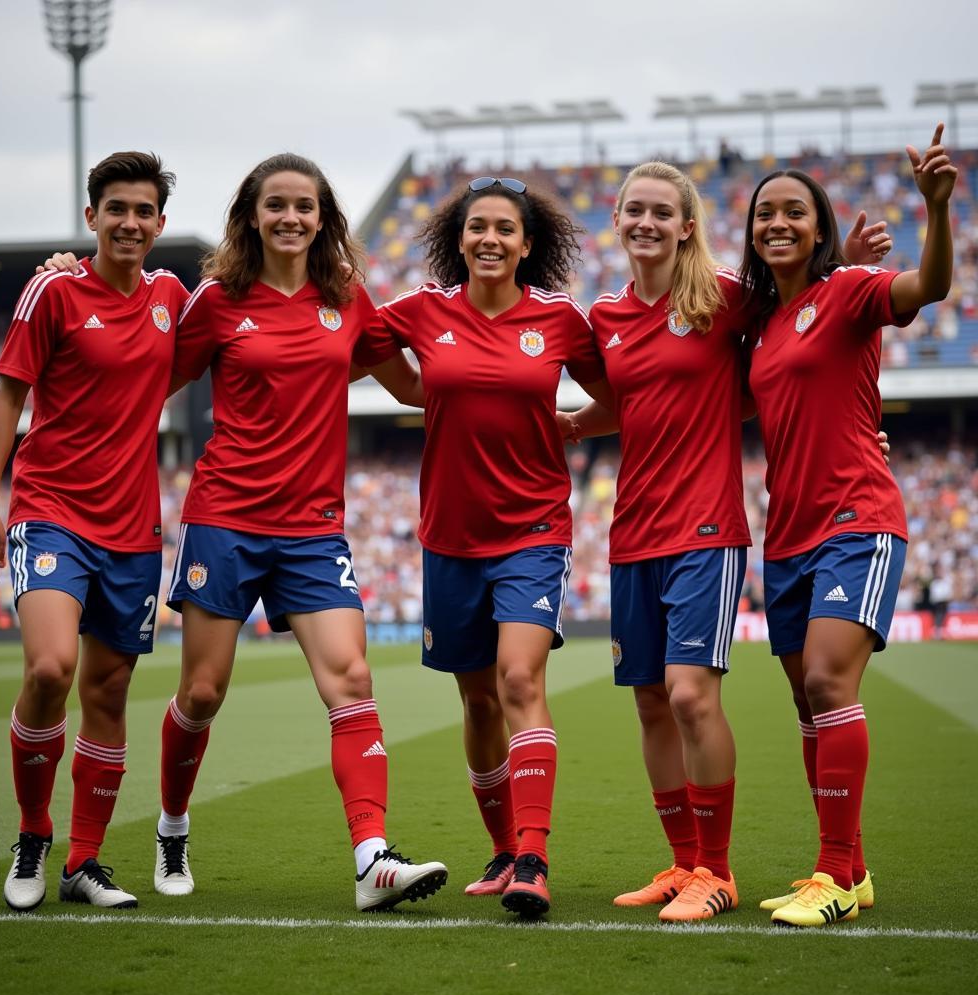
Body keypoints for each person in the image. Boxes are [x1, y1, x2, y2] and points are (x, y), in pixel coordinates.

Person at [561, 162, 893, 923]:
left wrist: (856, 272)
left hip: (707, 527)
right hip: (632, 528)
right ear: (616, 220)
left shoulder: (726, 296)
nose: (644, 222)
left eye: (661, 212)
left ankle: (717, 869)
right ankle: (682, 864)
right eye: (632, 210)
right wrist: (581, 421)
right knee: (649, 701)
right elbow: (633, 400)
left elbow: (804, 330)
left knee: (688, 694)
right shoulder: (605, 317)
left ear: (686, 224)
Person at [153, 153, 446, 912]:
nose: (291, 217)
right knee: (203, 692)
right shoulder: (216, 300)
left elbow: (412, 384)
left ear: (324, 218)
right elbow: (147, 376)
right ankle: (173, 827)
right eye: (276, 204)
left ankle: (372, 858)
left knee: (351, 679)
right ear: (252, 214)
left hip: (314, 530)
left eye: (305, 207)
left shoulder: (347, 299)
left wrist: (491, 379)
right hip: (224, 519)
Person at [370, 176, 613, 917]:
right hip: (449, 538)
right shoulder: (423, 311)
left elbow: (628, 394)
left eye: (506, 229)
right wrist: (410, 389)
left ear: (527, 243)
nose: (490, 239)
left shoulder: (559, 319)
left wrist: (578, 423)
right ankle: (505, 849)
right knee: (476, 702)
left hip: (533, 531)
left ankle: (535, 859)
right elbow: (354, 343)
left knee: (516, 682)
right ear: (460, 236)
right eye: (478, 227)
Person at [740, 126, 956, 927]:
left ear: (817, 225)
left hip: (856, 519)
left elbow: (928, 288)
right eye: (766, 214)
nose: (778, 224)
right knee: (807, 705)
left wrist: (936, 210)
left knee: (830, 684)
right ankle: (852, 868)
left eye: (795, 211)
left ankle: (833, 877)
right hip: (787, 534)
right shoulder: (758, 325)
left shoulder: (851, 290)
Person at [0, 152, 187, 911]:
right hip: (51, 510)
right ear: (91, 217)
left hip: (132, 530)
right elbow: (6, 399)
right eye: (116, 209)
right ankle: (33, 834)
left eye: (144, 211)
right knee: (51, 669)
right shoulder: (53, 289)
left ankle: (84, 863)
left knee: (110, 690)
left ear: (160, 223)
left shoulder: (172, 298)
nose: (130, 222)